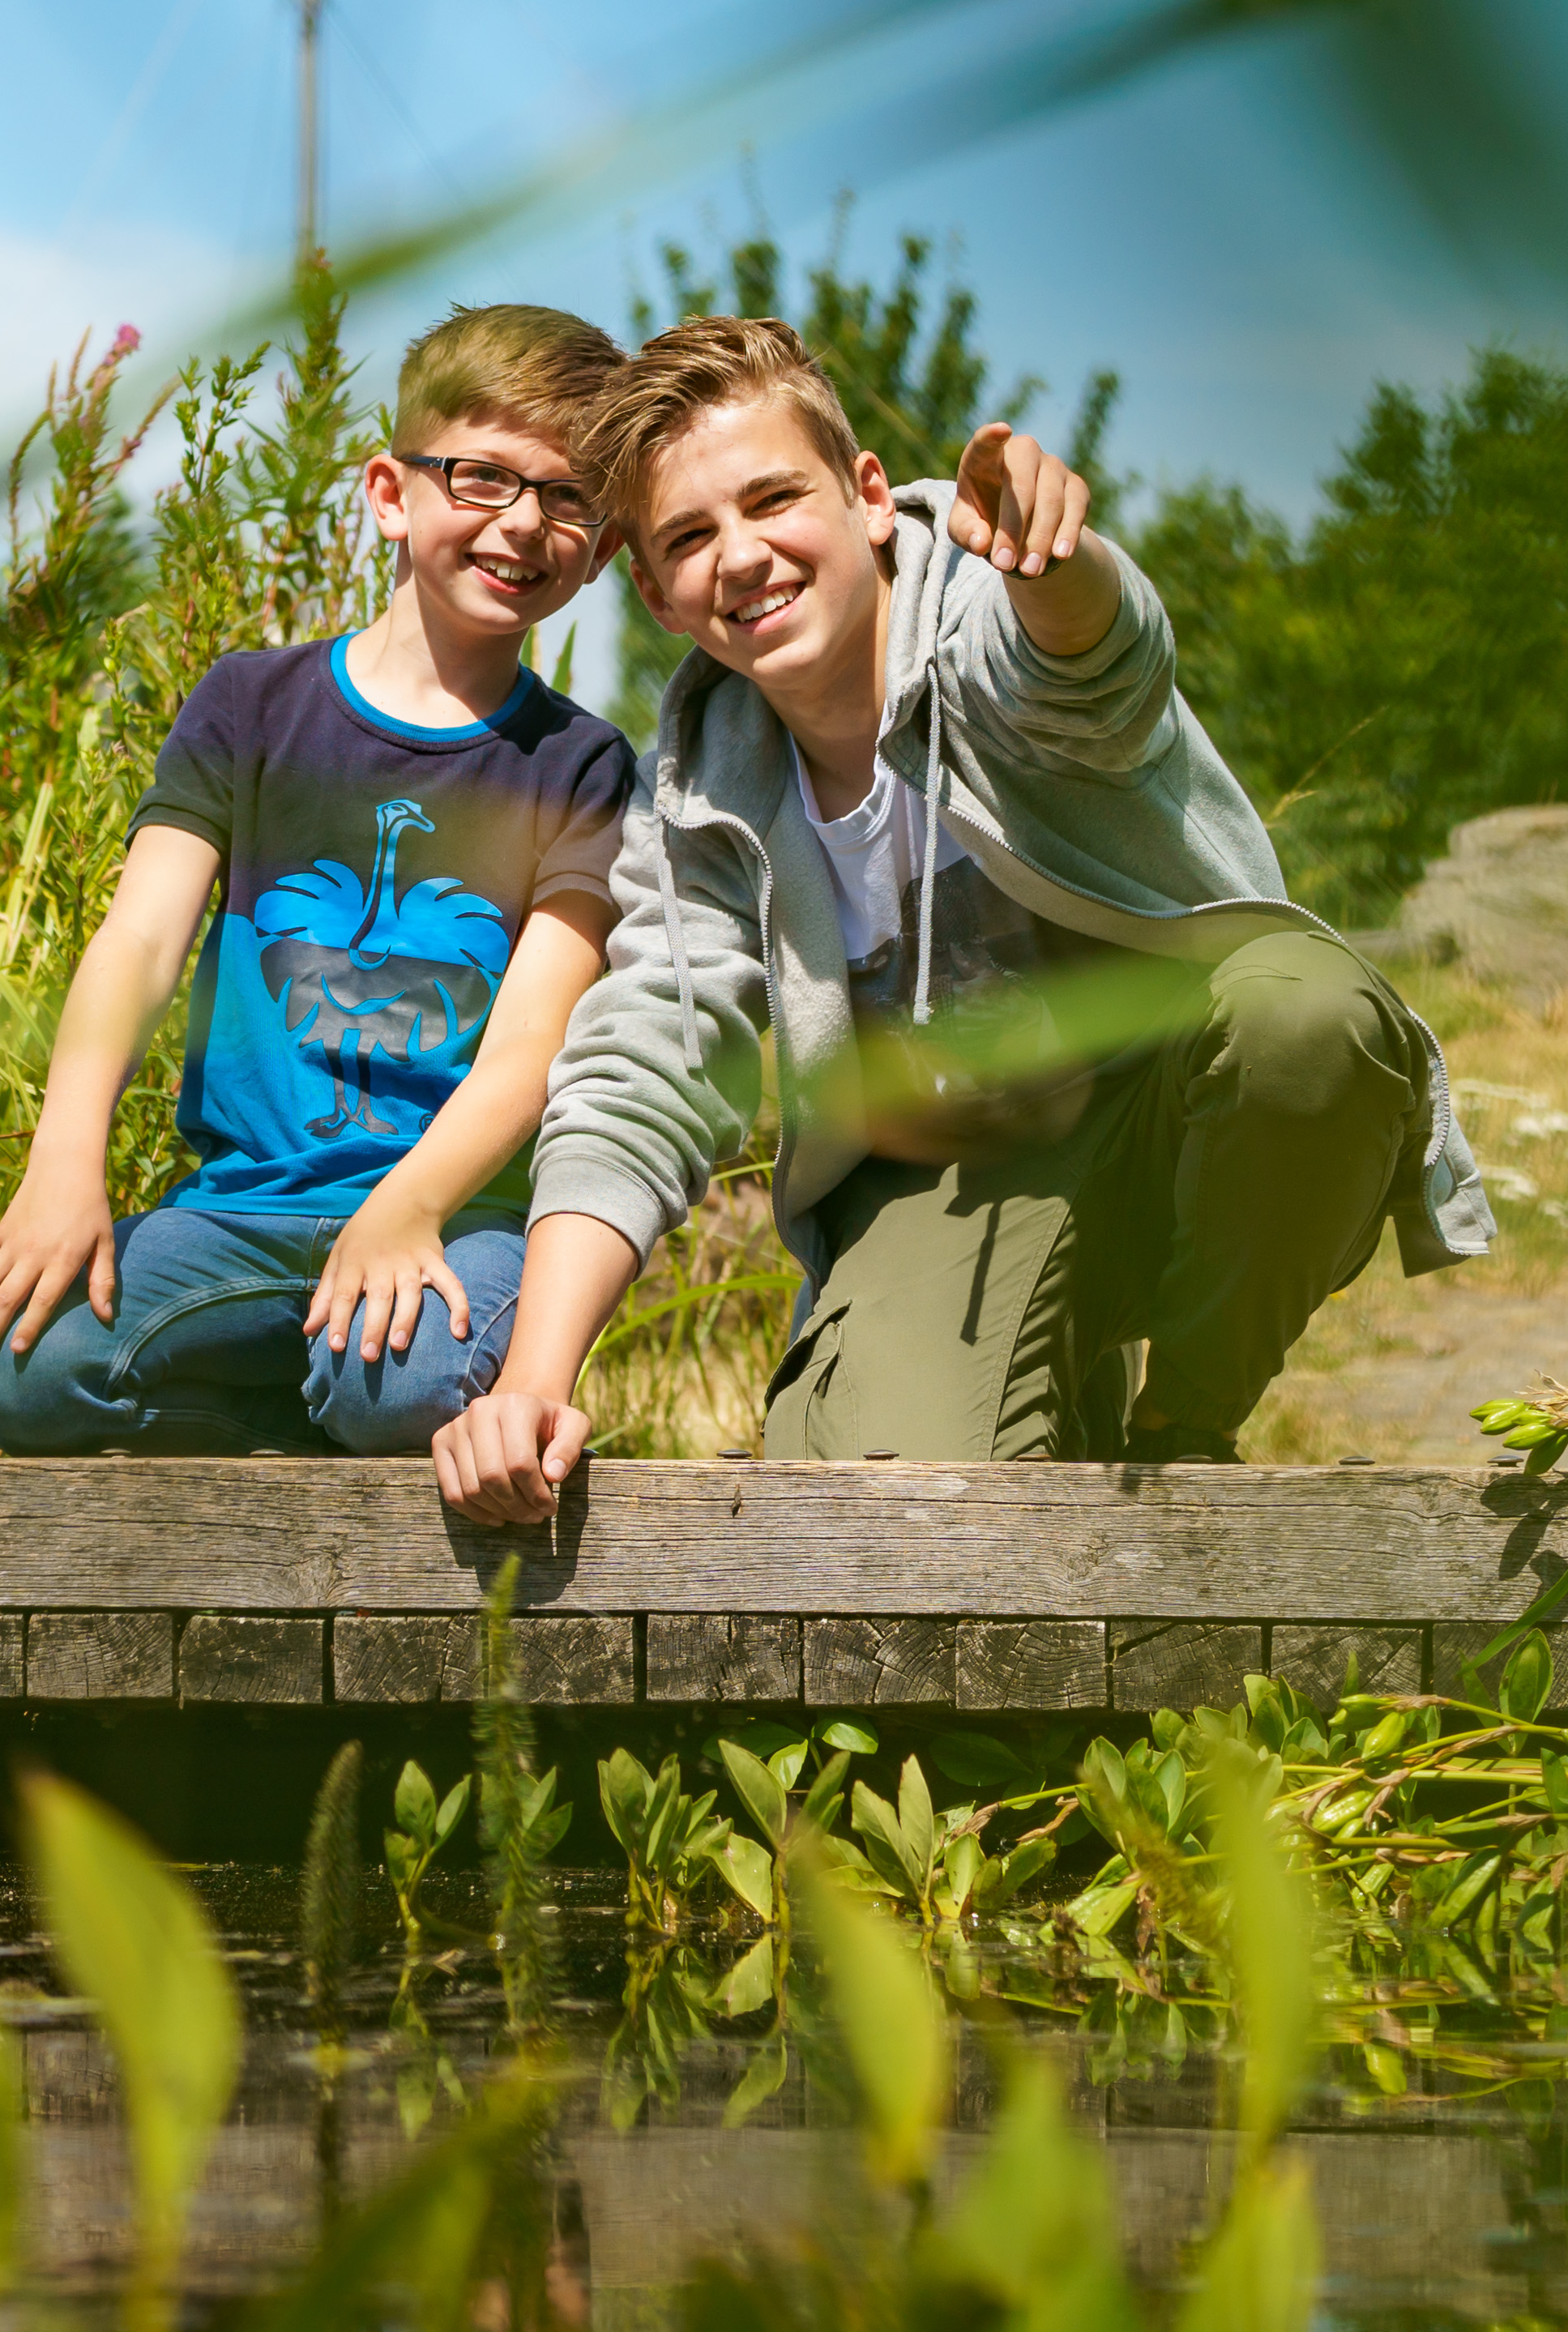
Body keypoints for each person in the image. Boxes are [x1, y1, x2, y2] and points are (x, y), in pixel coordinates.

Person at [428, 315, 1490, 1523]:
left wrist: (1057, 565)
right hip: (942, 1187)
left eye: (773, 499)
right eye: (689, 536)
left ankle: (1188, 1429)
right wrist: (531, 1380)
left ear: (870, 495)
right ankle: (1033, 1389)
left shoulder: (990, 618)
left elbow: (1095, 668)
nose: (740, 555)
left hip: (1165, 1118)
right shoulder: (701, 797)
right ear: (661, 595)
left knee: (1311, 1016)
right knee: (874, 1522)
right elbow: (645, 1067)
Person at [0, 304, 639, 1454]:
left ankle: (333, 1388)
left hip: (446, 1218)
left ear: (603, 544)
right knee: (25, 1368)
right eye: (483, 477)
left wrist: (408, 1205)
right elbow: (136, 945)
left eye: (568, 497)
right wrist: (64, 1162)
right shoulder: (249, 707)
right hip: (240, 1212)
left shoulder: (580, 765)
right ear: (390, 492)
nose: (524, 523)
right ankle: (287, 1401)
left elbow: (533, 1044)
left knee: (404, 1380)